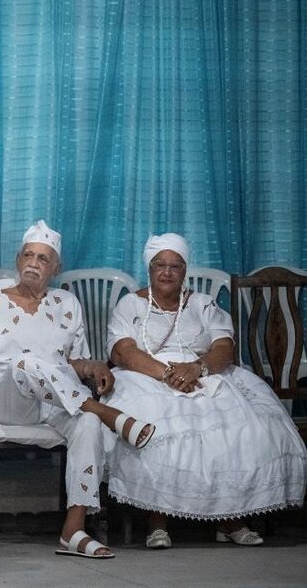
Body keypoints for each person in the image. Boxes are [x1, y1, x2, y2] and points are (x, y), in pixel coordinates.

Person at [0, 220, 155, 559]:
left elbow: (76, 361)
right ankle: (108, 413)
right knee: (25, 363)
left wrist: (93, 366)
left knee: (86, 424)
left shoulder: (67, 304)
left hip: (59, 402)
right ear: (18, 260)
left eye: (43, 259)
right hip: (10, 398)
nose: (33, 263)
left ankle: (73, 530)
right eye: (28, 255)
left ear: (56, 267)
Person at [103, 233, 307, 549]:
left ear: (185, 271)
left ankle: (229, 519)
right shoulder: (130, 304)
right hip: (146, 375)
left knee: (240, 428)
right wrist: (169, 374)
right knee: (157, 427)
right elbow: (124, 352)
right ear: (150, 268)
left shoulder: (202, 304)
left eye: (175, 266)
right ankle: (158, 520)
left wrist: (197, 369)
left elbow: (223, 346)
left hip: (203, 373)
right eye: (160, 265)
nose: (167, 272)